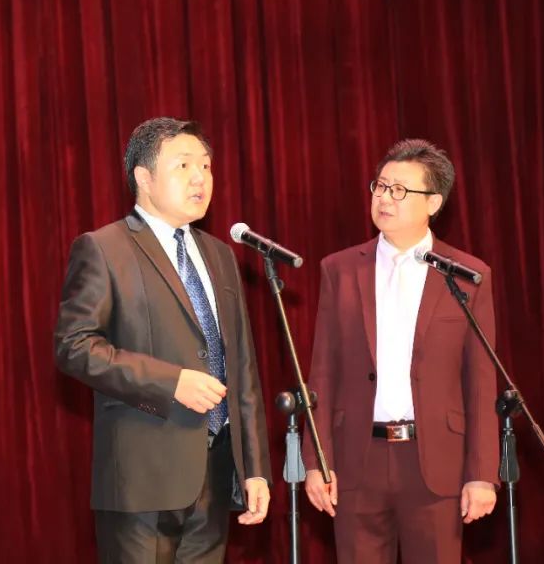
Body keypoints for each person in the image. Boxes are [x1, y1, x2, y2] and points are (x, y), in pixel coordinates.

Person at [55, 116, 272, 563]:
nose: (200, 178)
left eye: (206, 166)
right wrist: (170, 382)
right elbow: (74, 346)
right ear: (144, 177)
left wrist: (254, 469)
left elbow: (243, 368)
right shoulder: (104, 248)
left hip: (216, 475)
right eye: (184, 165)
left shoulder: (221, 256)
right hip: (142, 478)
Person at [303, 138, 498, 563]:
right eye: (380, 186)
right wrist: (316, 459)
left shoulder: (467, 275)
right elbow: (322, 372)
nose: (384, 198)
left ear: (434, 202)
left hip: (436, 462)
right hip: (357, 458)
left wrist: (482, 473)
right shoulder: (340, 269)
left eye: (399, 190)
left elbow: (481, 381)